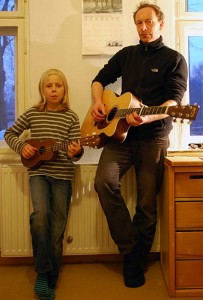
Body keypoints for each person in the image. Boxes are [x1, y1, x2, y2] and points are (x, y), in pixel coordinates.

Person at [90, 1, 188, 288]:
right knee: (103, 183)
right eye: (138, 23)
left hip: (153, 138)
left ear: (161, 23)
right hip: (119, 137)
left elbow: (173, 103)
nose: (143, 28)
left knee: (146, 204)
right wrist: (98, 101)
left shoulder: (174, 59)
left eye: (148, 22)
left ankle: (136, 262)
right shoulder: (126, 55)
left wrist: (147, 118)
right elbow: (99, 80)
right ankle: (131, 249)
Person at [4, 69, 84, 300]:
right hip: (38, 174)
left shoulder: (71, 117)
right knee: (40, 219)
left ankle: (51, 276)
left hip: (63, 177)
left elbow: (75, 153)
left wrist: (76, 151)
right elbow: (10, 133)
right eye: (49, 86)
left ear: (64, 89)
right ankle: (42, 274)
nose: (54, 90)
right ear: (42, 90)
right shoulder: (33, 114)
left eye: (58, 85)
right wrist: (22, 147)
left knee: (57, 228)